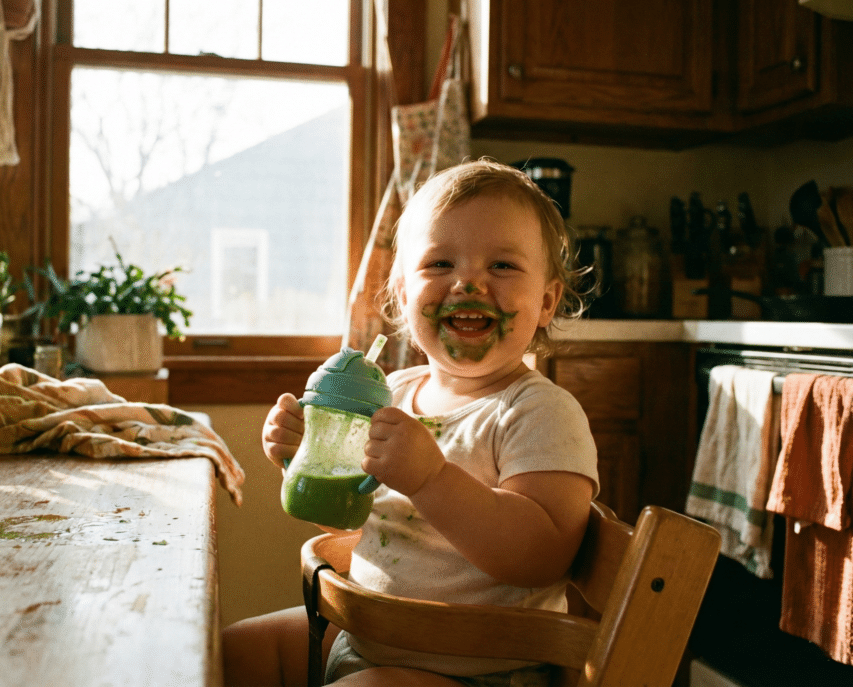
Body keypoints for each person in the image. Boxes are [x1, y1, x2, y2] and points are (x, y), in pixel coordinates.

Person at [223, 159, 599, 687]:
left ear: (546, 301)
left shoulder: (539, 413)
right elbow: (357, 519)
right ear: (402, 293)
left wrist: (431, 479)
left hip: (479, 671)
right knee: (230, 654)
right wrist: (303, 459)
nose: (468, 281)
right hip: (367, 639)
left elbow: (541, 555)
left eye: (503, 266)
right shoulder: (392, 393)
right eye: (440, 263)